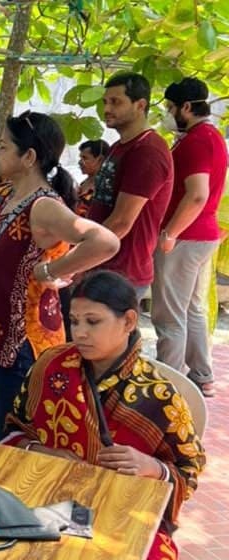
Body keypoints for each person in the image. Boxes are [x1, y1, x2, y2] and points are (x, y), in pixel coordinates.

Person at [2, 270, 205, 560]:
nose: (79, 333)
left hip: (121, 511)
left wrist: (152, 467)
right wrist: (42, 451)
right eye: (74, 321)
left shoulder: (158, 396)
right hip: (45, 493)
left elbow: (189, 470)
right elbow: (13, 432)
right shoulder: (50, 366)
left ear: (129, 321)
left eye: (93, 321)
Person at [0, 111, 120, 441]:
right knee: (2, 427)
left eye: (4, 147)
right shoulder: (3, 198)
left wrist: (51, 270)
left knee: (18, 434)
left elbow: (105, 241)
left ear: (29, 157)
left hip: (27, 341)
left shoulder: (43, 206)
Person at [152, 78, 228, 398]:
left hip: (186, 238)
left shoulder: (198, 140)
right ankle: (201, 375)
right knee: (192, 308)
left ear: (186, 107)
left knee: (169, 314)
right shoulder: (208, 137)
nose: (168, 114)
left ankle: (166, 384)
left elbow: (197, 195)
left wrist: (171, 233)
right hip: (201, 235)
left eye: (170, 108)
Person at [87, 72, 174, 299]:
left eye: (116, 102)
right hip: (103, 263)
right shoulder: (119, 146)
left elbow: (121, 222)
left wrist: (77, 260)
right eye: (105, 102)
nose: (107, 109)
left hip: (121, 271)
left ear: (140, 105)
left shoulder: (147, 151)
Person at [75, 139, 110, 217]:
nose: (80, 162)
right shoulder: (83, 183)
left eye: (85, 158)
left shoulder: (106, 186)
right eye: (80, 158)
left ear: (100, 159)